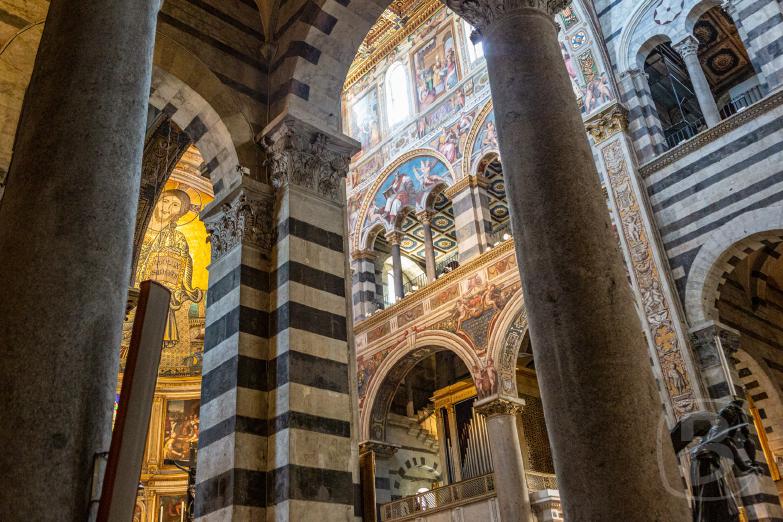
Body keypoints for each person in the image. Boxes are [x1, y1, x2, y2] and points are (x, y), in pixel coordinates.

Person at [136, 189, 204, 347]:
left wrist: (187, 289)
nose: (166, 207)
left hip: (153, 295)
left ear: (179, 212)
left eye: (174, 205)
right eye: (165, 200)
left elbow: (181, 271)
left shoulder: (177, 238)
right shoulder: (135, 227)